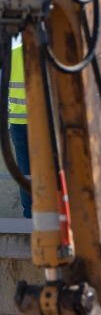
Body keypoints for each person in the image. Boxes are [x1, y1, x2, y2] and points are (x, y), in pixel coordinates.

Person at [8, 44, 31, 219]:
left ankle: (29, 215)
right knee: (48, 170)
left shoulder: (12, 54)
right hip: (42, 123)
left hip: (17, 121)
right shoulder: (49, 53)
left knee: (25, 173)